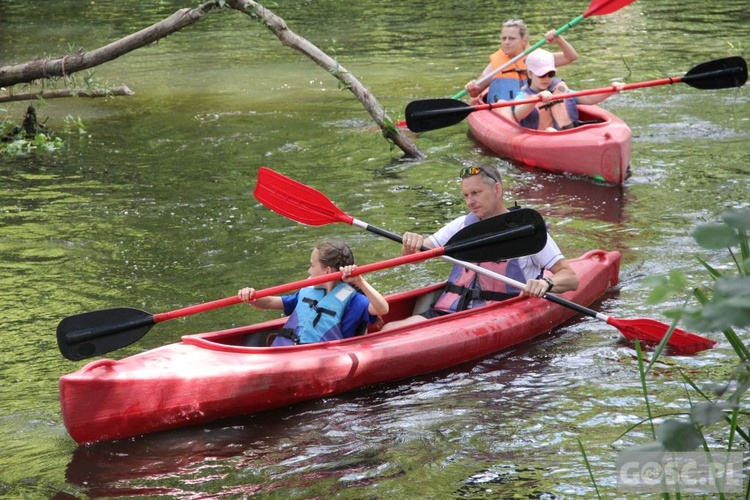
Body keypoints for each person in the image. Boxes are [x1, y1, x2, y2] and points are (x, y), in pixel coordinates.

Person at [381, 165, 579, 330]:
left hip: (498, 318)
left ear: (497, 190)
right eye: (466, 195)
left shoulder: (527, 232)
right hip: (447, 313)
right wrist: (411, 244)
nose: (470, 202)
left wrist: (546, 284)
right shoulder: (462, 225)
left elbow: (570, 277)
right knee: (389, 329)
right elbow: (417, 254)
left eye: (476, 193)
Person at [238, 240, 389, 346]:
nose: (308, 271)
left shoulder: (354, 301)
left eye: (312, 265)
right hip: (290, 353)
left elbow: (382, 308)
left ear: (327, 271)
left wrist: (359, 281)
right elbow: (270, 302)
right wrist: (252, 297)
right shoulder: (309, 292)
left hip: (322, 357)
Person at [465, 19, 579, 103]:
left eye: (512, 38)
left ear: (524, 40)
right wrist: (472, 88)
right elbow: (476, 93)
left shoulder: (538, 58)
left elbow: (571, 57)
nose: (506, 42)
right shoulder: (496, 64)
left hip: (534, 108)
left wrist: (559, 40)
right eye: (504, 38)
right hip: (503, 111)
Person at [512, 49, 626, 131]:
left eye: (550, 74)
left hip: (567, 135)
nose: (546, 79)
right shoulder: (523, 95)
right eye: (541, 75)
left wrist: (611, 90)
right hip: (540, 137)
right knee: (550, 131)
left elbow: (588, 99)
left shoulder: (560, 89)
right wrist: (536, 99)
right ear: (530, 74)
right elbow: (518, 114)